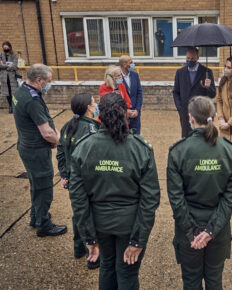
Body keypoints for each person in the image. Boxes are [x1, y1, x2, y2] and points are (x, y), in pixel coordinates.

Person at [70, 92, 160, 289]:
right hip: (130, 225)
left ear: (100, 113)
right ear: (126, 114)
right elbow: (150, 198)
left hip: (99, 224)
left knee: (107, 268)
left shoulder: (84, 148)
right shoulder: (140, 148)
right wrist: (139, 238)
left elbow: (78, 198)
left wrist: (89, 237)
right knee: (126, 271)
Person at [167, 96, 232, 289]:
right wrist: (210, 231)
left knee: (191, 281)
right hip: (219, 229)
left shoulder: (178, 151)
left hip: (188, 230)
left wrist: (192, 232)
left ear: (190, 118)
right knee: (215, 280)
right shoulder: (230, 151)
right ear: (215, 117)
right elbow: (230, 198)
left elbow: (176, 199)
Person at [12, 63, 67, 237]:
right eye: (48, 81)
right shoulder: (32, 100)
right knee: (44, 187)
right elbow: (46, 132)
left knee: (35, 184)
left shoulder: (21, 91)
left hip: (26, 146)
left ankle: (35, 216)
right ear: (38, 80)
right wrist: (62, 143)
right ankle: (44, 225)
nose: (49, 84)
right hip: (36, 151)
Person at [56, 93, 101, 269]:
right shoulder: (92, 130)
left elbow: (60, 151)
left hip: (73, 180)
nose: (96, 104)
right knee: (91, 215)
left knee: (79, 213)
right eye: (94, 102)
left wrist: (64, 175)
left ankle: (79, 248)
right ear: (88, 108)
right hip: (88, 182)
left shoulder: (68, 126)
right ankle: (93, 256)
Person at [173, 47, 216, 137]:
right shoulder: (180, 72)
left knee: (202, 138)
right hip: (185, 113)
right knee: (186, 138)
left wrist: (208, 87)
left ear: (197, 57)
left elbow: (213, 94)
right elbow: (176, 92)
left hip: (201, 114)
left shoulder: (206, 72)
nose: (189, 60)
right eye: (188, 58)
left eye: (192, 58)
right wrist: (180, 108)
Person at [119, 55, 143, 133]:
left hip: (135, 114)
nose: (133, 64)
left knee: (136, 137)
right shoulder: (117, 77)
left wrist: (137, 109)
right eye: (131, 62)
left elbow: (139, 92)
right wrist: (125, 111)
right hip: (123, 115)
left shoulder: (135, 75)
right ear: (124, 65)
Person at [1, 41, 19, 113]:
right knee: (7, 93)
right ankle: (10, 106)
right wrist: (7, 66)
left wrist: (4, 65)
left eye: (7, 47)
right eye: (4, 47)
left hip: (12, 77)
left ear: (10, 47)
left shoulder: (14, 55)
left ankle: (14, 106)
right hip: (4, 77)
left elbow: (14, 66)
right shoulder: (0, 55)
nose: (5, 48)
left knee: (13, 93)